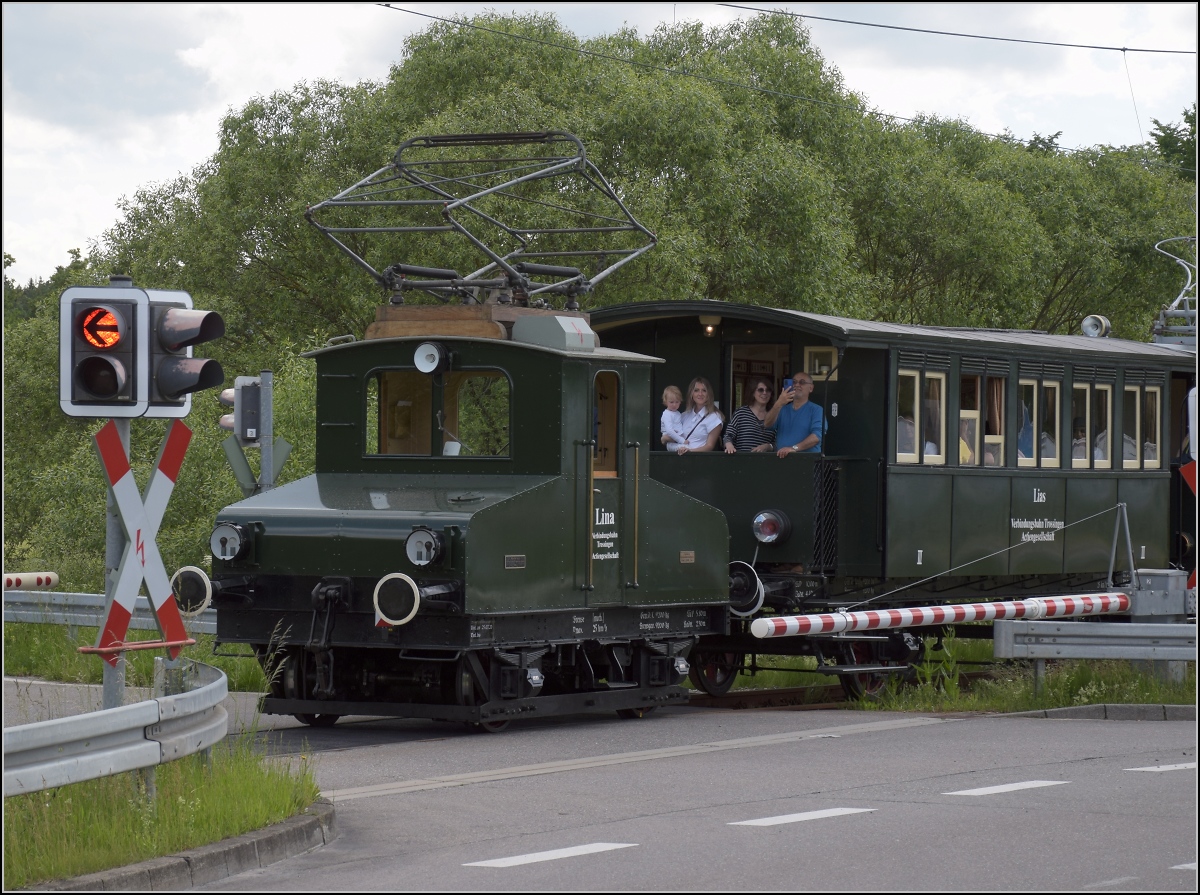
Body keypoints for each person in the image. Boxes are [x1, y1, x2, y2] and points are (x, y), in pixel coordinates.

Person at [766, 373, 825, 457]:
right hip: (782, 460)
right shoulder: (782, 409)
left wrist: (794, 448)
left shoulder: (817, 410)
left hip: (807, 462)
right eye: (794, 382)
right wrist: (778, 404)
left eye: (802, 382)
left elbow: (816, 437)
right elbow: (767, 425)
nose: (797, 385)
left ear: (811, 388)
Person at [666, 377, 724, 454]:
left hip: (698, 461)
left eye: (704, 390)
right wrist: (664, 439)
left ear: (708, 394)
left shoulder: (715, 417)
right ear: (691, 393)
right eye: (696, 390)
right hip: (679, 460)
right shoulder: (684, 415)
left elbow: (709, 446)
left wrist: (690, 451)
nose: (700, 394)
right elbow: (674, 436)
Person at [723, 377, 776, 453]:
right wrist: (729, 446)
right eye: (760, 390)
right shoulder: (740, 413)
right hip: (742, 461)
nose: (764, 393)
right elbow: (728, 435)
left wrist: (768, 447)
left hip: (765, 462)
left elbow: (778, 443)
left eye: (768, 390)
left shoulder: (774, 416)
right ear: (753, 392)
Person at [660, 385, 687, 452]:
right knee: (685, 448)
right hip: (671, 443)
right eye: (671, 402)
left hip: (678, 441)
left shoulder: (677, 413)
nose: (674, 405)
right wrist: (682, 441)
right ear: (665, 401)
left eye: (677, 402)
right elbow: (669, 431)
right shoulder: (667, 414)